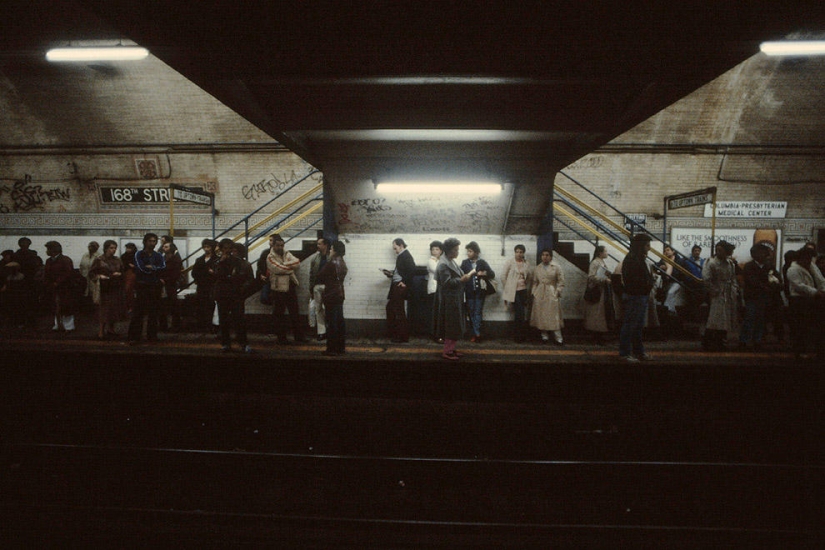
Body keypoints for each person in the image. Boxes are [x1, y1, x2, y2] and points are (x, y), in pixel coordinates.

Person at [214, 238, 254, 353]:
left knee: (239, 319)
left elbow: (243, 277)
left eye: (229, 248)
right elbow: (216, 276)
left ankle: (243, 343)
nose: (227, 251)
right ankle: (226, 343)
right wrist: (221, 262)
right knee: (224, 320)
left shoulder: (238, 262)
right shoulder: (217, 261)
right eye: (225, 248)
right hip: (222, 294)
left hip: (235, 294)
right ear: (221, 249)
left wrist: (240, 289)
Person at [618, 234, 654, 361]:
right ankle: (625, 353)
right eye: (647, 245)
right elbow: (633, 280)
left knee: (637, 325)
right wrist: (647, 284)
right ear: (641, 245)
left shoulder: (637, 257)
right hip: (636, 296)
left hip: (639, 295)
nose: (649, 248)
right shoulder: (633, 259)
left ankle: (638, 351)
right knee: (630, 325)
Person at [264, 233, 304, 344]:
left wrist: (284, 264)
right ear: (273, 246)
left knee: (295, 312)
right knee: (279, 314)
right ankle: (281, 338)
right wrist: (290, 268)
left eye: (282, 245)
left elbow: (297, 262)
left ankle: (299, 336)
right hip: (278, 288)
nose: (280, 248)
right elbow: (277, 269)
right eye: (278, 245)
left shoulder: (286, 253)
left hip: (290, 286)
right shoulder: (269, 257)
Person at [739, 244, 780, 350]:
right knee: (749, 318)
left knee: (760, 319)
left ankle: (757, 340)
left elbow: (776, 277)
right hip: (752, 297)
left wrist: (776, 284)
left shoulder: (769, 266)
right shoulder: (749, 266)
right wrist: (765, 286)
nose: (764, 254)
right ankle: (744, 340)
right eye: (761, 252)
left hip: (764, 297)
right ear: (754, 254)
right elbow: (751, 281)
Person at [436, 238, 472, 360]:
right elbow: (446, 283)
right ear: (449, 250)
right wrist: (461, 280)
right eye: (455, 250)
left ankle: (451, 348)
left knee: (455, 324)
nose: (458, 252)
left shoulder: (451, 261)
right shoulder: (443, 264)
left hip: (455, 297)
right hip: (449, 299)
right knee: (451, 324)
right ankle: (447, 351)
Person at [786, 247, 825, 359]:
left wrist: (823, 290)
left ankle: (817, 351)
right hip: (799, 300)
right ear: (800, 258)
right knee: (800, 326)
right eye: (806, 258)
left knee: (814, 326)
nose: (808, 261)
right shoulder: (793, 269)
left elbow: (820, 279)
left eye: (810, 258)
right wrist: (815, 292)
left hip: (812, 299)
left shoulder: (811, 266)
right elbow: (799, 286)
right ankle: (799, 351)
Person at [127, 233, 166, 345]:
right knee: (138, 312)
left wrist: (152, 268)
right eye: (150, 241)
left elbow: (163, 268)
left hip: (154, 286)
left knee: (153, 313)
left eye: (154, 241)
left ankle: (152, 336)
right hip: (142, 286)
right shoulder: (139, 254)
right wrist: (154, 270)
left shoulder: (158, 255)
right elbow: (140, 269)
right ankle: (134, 337)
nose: (152, 243)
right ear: (145, 242)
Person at [701, 240, 740, 351]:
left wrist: (734, 289)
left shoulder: (730, 263)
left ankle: (721, 340)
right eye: (717, 250)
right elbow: (706, 278)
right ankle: (708, 341)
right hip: (717, 293)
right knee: (715, 318)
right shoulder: (711, 262)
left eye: (721, 250)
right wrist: (713, 290)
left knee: (725, 318)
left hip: (728, 293)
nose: (719, 252)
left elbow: (733, 278)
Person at [89, 240, 127, 339]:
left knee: (114, 309)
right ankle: (101, 330)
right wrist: (99, 276)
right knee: (104, 309)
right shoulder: (99, 260)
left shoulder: (117, 260)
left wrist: (120, 274)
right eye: (111, 248)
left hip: (116, 286)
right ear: (106, 248)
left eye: (115, 248)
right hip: (104, 288)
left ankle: (111, 328)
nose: (113, 250)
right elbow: (91, 273)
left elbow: (123, 272)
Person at [317, 240, 348, 355]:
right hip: (340, 294)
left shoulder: (331, 263)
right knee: (340, 322)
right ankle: (341, 348)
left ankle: (331, 349)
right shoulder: (342, 262)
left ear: (334, 250)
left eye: (331, 249)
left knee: (331, 323)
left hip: (331, 294)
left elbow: (320, 275)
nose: (329, 250)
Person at [382, 238, 416, 343]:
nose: (395, 250)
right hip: (397, 285)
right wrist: (392, 274)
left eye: (395, 248)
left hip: (399, 287)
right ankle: (397, 334)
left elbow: (412, 269)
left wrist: (404, 282)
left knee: (398, 310)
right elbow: (403, 270)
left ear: (401, 245)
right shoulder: (402, 255)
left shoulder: (405, 255)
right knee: (393, 308)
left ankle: (402, 336)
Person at [460, 241, 495, 343]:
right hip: (469, 292)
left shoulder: (482, 262)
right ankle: (476, 333)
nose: (468, 253)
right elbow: (461, 276)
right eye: (468, 251)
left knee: (478, 312)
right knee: (471, 312)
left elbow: (492, 274)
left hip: (480, 292)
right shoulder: (464, 262)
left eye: (470, 251)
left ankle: (477, 334)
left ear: (476, 252)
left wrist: (484, 273)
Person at [530, 248, 565, 345]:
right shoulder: (537, 268)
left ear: (551, 257)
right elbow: (535, 282)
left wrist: (557, 291)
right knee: (541, 315)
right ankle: (544, 336)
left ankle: (558, 338)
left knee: (553, 315)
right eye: (543, 255)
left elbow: (561, 281)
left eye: (547, 255)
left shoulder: (556, 267)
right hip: (540, 293)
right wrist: (534, 292)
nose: (545, 257)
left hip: (551, 292)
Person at [501, 244, 533, 342]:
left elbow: (529, 276)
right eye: (517, 252)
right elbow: (503, 276)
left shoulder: (526, 263)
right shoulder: (510, 262)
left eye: (521, 252)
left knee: (521, 313)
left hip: (523, 290)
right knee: (519, 312)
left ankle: (520, 334)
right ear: (514, 252)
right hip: (513, 291)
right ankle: (518, 336)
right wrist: (508, 288)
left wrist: (527, 286)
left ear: (523, 253)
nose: (519, 254)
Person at [43, 240, 77, 332]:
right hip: (53, 288)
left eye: (48, 249)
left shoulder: (65, 260)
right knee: (55, 307)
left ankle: (69, 326)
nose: (46, 251)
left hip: (65, 288)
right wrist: (48, 283)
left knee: (66, 307)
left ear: (54, 250)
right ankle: (57, 324)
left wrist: (57, 282)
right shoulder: (48, 261)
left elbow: (68, 273)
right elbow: (46, 273)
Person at [582, 245, 613, 344]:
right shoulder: (595, 263)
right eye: (606, 251)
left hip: (601, 291)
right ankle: (596, 335)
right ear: (600, 253)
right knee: (597, 314)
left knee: (599, 314)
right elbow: (591, 276)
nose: (607, 253)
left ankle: (598, 334)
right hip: (597, 291)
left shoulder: (600, 262)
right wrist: (604, 279)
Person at [12, 237, 43, 328]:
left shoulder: (33, 255)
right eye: (23, 243)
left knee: (31, 302)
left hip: (31, 282)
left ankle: (30, 321)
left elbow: (39, 266)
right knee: (20, 302)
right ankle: (22, 321)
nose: (25, 245)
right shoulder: (16, 255)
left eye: (26, 243)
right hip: (20, 282)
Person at [192, 238, 218, 330]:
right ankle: (202, 325)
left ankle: (211, 325)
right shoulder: (199, 259)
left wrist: (212, 273)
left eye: (208, 247)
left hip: (211, 286)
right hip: (202, 285)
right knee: (201, 305)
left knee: (210, 305)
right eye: (205, 247)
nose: (206, 249)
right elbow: (194, 272)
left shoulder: (216, 260)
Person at [309, 237, 331, 341]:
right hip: (317, 286)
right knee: (318, 309)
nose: (317, 246)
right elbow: (311, 274)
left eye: (319, 244)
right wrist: (311, 288)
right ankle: (321, 332)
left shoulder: (331, 257)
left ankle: (329, 330)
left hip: (328, 287)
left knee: (329, 309)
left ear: (325, 245)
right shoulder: (314, 258)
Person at [159, 241, 183, 332]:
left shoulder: (175, 259)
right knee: (162, 305)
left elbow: (176, 273)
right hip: (163, 284)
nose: (164, 248)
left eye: (166, 247)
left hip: (170, 284)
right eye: (163, 246)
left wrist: (165, 280)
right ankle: (163, 325)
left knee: (173, 305)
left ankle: (175, 325)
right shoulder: (162, 258)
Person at [0, 261, 26, 331]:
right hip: (11, 295)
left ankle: (20, 323)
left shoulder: (21, 276)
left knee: (19, 309)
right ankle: (13, 323)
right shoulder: (9, 277)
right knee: (12, 309)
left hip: (18, 294)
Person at [426, 240, 444, 342]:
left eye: (437, 249)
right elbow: (439, 271)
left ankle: (439, 334)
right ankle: (435, 335)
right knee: (435, 314)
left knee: (440, 313)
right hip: (433, 290)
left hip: (441, 290)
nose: (434, 251)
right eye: (433, 249)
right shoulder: (430, 261)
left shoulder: (441, 261)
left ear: (441, 251)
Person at [79, 241, 101, 306]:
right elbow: (81, 266)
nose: (90, 248)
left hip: (94, 280)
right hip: (84, 278)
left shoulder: (99, 256)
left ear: (96, 248)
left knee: (95, 296)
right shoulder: (85, 255)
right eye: (89, 246)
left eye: (93, 246)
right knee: (85, 295)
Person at [120, 242, 138, 313]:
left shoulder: (136, 256)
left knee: (129, 290)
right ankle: (128, 306)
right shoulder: (124, 256)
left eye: (129, 248)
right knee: (127, 291)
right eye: (127, 248)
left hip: (132, 274)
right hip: (126, 274)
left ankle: (130, 306)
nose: (127, 249)